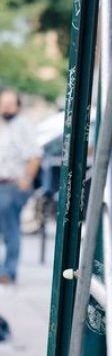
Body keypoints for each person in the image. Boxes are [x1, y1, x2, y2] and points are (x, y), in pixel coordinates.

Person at [0, 89, 41, 283]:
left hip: (11, 185)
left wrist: (25, 181)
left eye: (10, 103)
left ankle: (8, 271)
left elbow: (34, 155)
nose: (6, 107)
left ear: (18, 106)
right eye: (3, 103)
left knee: (10, 228)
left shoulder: (23, 126)